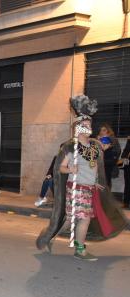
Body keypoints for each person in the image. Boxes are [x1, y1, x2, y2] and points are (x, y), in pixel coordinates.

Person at [36, 95, 128, 261]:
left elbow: (99, 159)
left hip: (89, 188)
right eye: (84, 125)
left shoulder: (94, 145)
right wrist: (70, 168)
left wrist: (104, 148)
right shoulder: (71, 146)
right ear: (77, 128)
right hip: (76, 187)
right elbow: (61, 168)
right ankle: (80, 249)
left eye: (89, 125)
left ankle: (49, 235)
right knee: (83, 218)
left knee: (70, 219)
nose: (88, 127)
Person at [95, 123, 121, 188]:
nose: (102, 132)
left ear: (108, 131)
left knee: (106, 181)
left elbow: (117, 152)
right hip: (99, 162)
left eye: (104, 130)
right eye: (100, 130)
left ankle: (106, 196)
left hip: (108, 162)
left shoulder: (113, 140)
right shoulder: (97, 140)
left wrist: (101, 141)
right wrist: (97, 141)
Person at [121, 139, 130, 208]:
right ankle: (126, 202)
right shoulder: (129, 141)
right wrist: (125, 157)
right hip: (128, 167)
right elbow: (124, 154)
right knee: (127, 185)